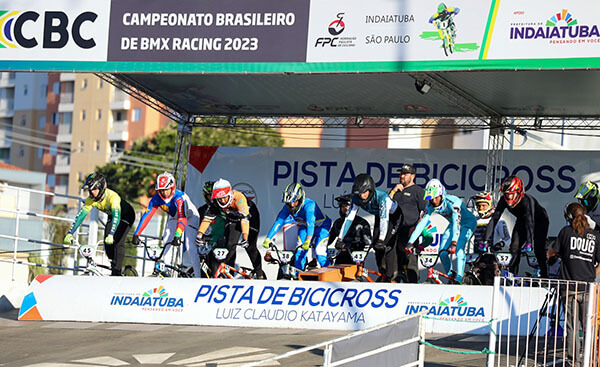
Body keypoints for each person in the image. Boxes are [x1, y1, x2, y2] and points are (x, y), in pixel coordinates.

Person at [547, 202, 600, 367]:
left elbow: (551, 253)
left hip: (569, 288)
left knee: (572, 327)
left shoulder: (566, 232)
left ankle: (574, 361)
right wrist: (591, 275)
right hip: (588, 288)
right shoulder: (595, 236)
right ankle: (591, 359)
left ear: (568, 216)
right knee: (588, 328)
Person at [64, 172, 136, 276]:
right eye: (89, 190)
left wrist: (112, 234)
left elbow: (117, 216)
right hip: (113, 215)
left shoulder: (112, 197)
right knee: (107, 240)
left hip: (126, 215)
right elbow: (81, 216)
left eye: (93, 189)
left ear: (101, 188)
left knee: (118, 241)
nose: (91, 192)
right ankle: (113, 263)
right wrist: (70, 232)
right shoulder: (91, 200)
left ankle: (117, 271)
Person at [132, 171, 201, 278]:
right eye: (161, 190)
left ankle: (198, 276)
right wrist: (137, 233)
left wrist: (178, 235)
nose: (163, 192)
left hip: (189, 217)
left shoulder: (179, 198)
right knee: (166, 239)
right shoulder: (156, 198)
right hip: (175, 217)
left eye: (165, 190)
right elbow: (147, 215)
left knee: (189, 245)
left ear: (172, 187)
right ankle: (167, 271)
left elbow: (182, 218)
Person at [407, 179, 476, 283]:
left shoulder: (453, 202)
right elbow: (422, 224)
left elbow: (456, 222)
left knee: (459, 249)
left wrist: (453, 242)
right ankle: (450, 277)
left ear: (441, 195)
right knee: (442, 253)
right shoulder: (430, 205)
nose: (434, 202)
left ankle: (459, 279)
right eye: (431, 199)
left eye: (436, 198)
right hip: (453, 224)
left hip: (468, 223)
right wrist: (410, 242)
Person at [335, 173, 401, 282]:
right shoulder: (356, 198)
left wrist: (381, 239)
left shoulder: (381, 197)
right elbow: (349, 219)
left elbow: (385, 219)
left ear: (370, 190)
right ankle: (383, 272)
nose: (361, 197)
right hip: (379, 215)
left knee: (387, 244)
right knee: (375, 244)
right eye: (359, 194)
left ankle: (391, 276)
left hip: (394, 216)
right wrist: (340, 238)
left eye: (363, 193)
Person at [197, 178, 265, 278]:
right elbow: (207, 219)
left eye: (224, 197)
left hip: (249, 217)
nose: (222, 201)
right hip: (234, 218)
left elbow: (244, 220)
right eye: (219, 198)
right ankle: (229, 275)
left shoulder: (238, 198)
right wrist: (199, 235)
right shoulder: (215, 202)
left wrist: (245, 237)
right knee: (229, 246)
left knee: (250, 246)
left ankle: (260, 274)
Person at [484, 175, 550, 277]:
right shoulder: (503, 200)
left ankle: (545, 276)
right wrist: (484, 240)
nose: (509, 197)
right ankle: (513, 274)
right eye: (506, 194)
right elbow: (494, 219)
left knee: (538, 249)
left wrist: (529, 242)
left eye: (512, 194)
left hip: (539, 220)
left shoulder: (527, 200)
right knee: (514, 247)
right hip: (522, 220)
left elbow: (530, 221)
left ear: (519, 192)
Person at [262, 183, 331, 269]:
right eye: (289, 203)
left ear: (300, 199)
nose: (291, 205)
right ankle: (298, 275)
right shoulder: (287, 207)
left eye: (294, 202)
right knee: (299, 253)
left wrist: (308, 239)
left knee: (320, 253)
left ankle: (330, 276)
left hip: (321, 226)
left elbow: (310, 223)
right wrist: (268, 238)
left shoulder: (310, 205)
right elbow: (278, 223)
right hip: (305, 227)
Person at [389, 163, 426, 283]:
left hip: (410, 233)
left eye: (405, 174)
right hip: (395, 232)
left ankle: (413, 288)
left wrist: (416, 228)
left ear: (413, 176)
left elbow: (425, 212)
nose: (402, 176)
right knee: (394, 265)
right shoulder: (397, 190)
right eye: (401, 173)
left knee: (411, 264)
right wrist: (393, 191)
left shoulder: (418, 191)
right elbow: (386, 206)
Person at [327, 194, 372, 265]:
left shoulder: (362, 223)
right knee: (335, 274)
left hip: (355, 258)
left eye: (348, 206)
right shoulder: (337, 223)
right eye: (343, 206)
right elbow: (328, 240)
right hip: (340, 255)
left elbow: (368, 243)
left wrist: (362, 257)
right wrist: (317, 243)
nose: (345, 208)